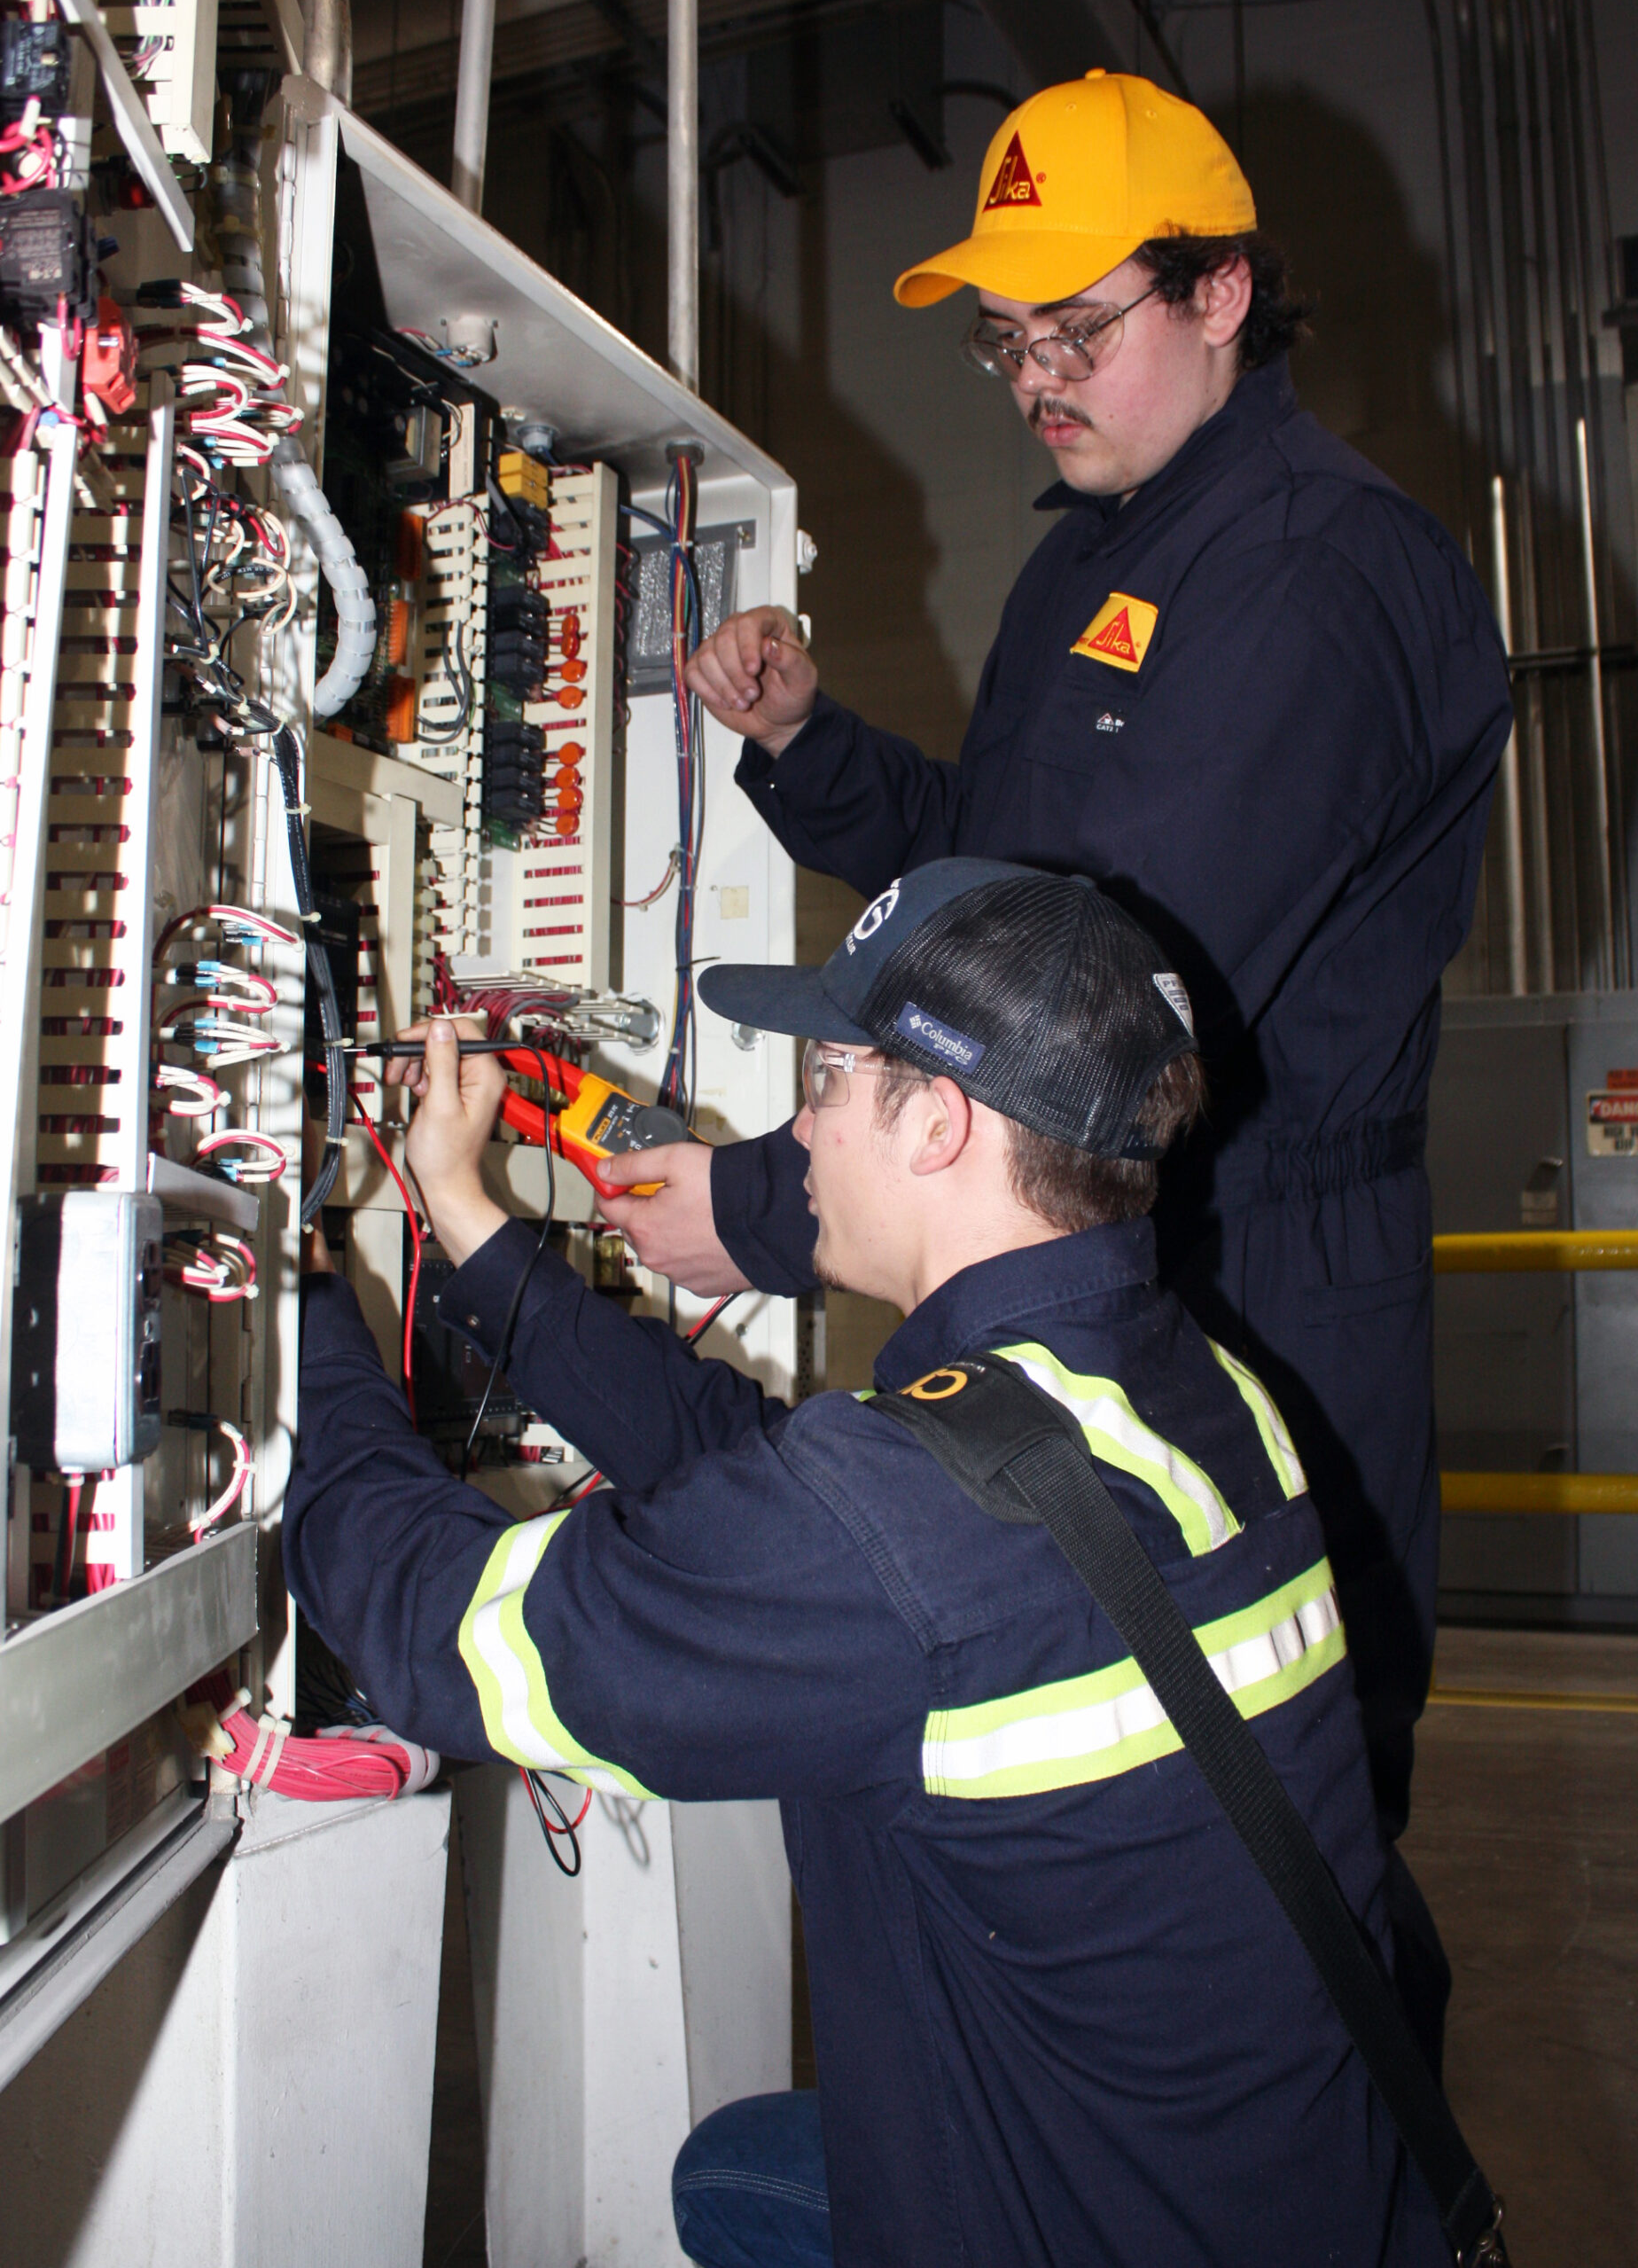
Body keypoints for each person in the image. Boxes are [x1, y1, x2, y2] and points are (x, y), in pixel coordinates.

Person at [596, 69, 1514, 2051]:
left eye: (1076, 328)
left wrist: (761, 1210)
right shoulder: (1096, 553)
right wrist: (810, 745)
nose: (1032, 377)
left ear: (1223, 295)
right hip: (1095, 1278)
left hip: (1259, 1295)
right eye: (1008, 340)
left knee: (1266, 1879)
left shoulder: (1309, 575)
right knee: (1084, 1840)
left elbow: (1076, 1008)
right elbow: (1001, 870)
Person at [285, 858, 1447, 2268]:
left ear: (940, 1124)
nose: (800, 1130)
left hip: (1093, 2227)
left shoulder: (907, 1530)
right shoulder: (1197, 1390)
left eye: (826, 1078)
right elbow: (757, 1478)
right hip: (1292, 2200)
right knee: (739, 2171)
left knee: (728, 2183)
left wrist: (292, 1292)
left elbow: (426, 1629)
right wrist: (461, 1221)